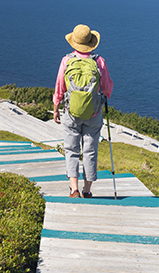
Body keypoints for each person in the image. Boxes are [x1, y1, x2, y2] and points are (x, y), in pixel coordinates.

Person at [53, 24, 113, 198]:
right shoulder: (99, 61)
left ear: (74, 42)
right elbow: (107, 88)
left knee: (71, 149)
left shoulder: (67, 61)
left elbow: (59, 87)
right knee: (90, 150)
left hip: (71, 112)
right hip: (93, 113)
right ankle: (87, 190)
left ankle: (74, 189)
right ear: (91, 42)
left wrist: (56, 109)